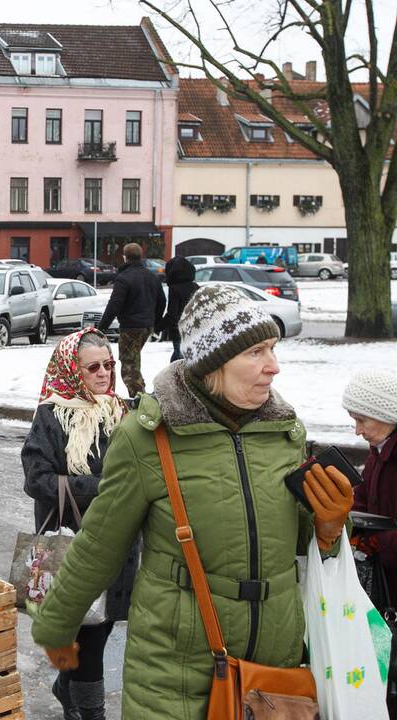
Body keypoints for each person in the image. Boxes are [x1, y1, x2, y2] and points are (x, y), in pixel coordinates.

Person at [29, 284, 354, 719]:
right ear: (214, 363)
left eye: (273, 349)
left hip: (272, 675)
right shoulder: (149, 437)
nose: (273, 367)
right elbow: (99, 546)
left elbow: (299, 543)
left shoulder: (283, 433)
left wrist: (330, 528)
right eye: (256, 352)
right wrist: (56, 625)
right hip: (175, 678)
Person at [21, 328, 133, 720]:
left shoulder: (122, 411)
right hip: (72, 542)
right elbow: (36, 479)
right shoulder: (53, 415)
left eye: (109, 364)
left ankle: (67, 688)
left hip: (118, 541)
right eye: (94, 367)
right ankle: (92, 713)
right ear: (72, 370)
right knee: (87, 631)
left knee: (99, 630)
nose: (104, 373)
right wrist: (100, 487)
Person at [343, 369, 397, 601]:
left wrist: (379, 540)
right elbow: (363, 498)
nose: (357, 431)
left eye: (361, 420)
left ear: (385, 415)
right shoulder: (379, 449)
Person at [96, 243, 165, 398]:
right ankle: (141, 396)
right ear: (140, 256)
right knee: (133, 361)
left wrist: (101, 329)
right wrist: (155, 322)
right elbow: (162, 301)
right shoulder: (152, 277)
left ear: (125, 257)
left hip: (130, 327)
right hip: (146, 326)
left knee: (129, 365)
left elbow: (114, 306)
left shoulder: (124, 278)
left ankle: (140, 399)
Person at [157, 256, 198, 362]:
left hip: (179, 331)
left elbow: (172, 314)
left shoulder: (174, 289)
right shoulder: (195, 286)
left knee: (178, 360)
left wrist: (158, 327)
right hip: (195, 329)